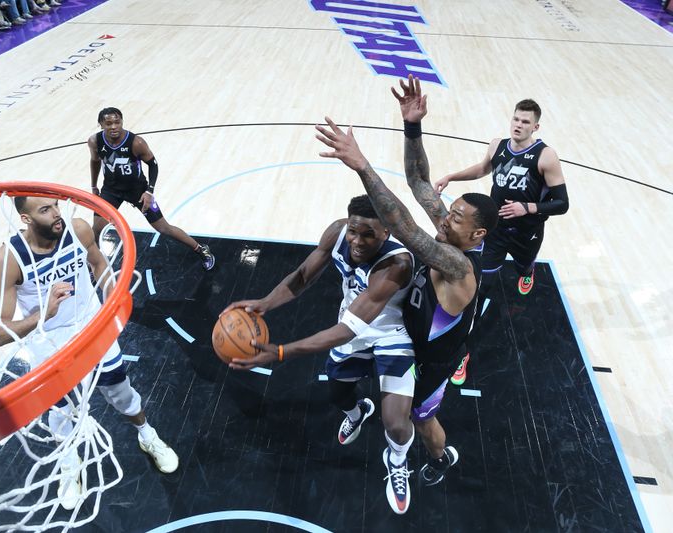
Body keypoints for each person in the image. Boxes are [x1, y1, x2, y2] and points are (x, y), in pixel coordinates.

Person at [314, 75, 498, 490]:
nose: (445, 217)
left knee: (420, 417)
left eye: (455, 218)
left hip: (433, 357)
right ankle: (360, 412)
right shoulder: (452, 232)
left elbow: (404, 226)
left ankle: (439, 457)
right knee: (362, 387)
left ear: (477, 236)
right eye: (450, 212)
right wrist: (412, 127)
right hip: (405, 332)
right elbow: (418, 182)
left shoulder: (458, 265)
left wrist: (362, 166)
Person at [226, 195, 417, 515]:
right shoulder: (338, 232)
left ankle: (396, 459)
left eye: (368, 234)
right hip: (350, 325)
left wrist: (282, 351)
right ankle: (358, 412)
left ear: (386, 231)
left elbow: (346, 331)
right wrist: (266, 302)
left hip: (392, 336)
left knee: (396, 422)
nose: (357, 241)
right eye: (354, 230)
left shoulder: (396, 264)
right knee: (337, 393)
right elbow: (303, 276)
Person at [0, 196, 179, 510]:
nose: (56, 214)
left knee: (121, 393)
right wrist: (43, 313)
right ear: (25, 219)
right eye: (45, 210)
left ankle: (147, 435)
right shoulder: (8, 259)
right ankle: (69, 462)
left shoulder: (77, 229)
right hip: (50, 344)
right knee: (62, 411)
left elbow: (99, 262)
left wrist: (110, 295)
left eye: (55, 206)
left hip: (93, 329)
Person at [432, 97, 569, 385]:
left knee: (521, 268)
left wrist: (527, 207)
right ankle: (463, 353)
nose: (519, 125)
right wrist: (452, 176)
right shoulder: (498, 145)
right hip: (494, 230)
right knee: (481, 290)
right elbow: (483, 169)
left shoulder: (546, 156)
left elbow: (562, 203)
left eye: (525, 122)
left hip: (527, 231)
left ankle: (527, 269)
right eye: (516, 119)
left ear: (536, 126)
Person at [88, 106, 215, 270]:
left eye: (117, 122)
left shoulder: (136, 142)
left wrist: (149, 191)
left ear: (122, 122)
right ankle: (96, 264)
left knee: (163, 228)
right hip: (110, 190)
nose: (113, 127)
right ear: (100, 124)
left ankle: (200, 249)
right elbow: (95, 161)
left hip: (138, 191)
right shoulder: (94, 141)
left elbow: (153, 165)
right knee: (97, 228)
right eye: (108, 123)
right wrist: (93, 186)